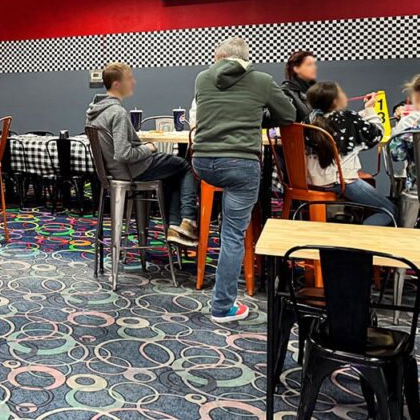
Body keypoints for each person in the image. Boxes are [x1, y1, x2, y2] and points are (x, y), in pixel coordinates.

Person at [192, 37, 295, 323]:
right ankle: (222, 306)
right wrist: (259, 115)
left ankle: (191, 229)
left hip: (202, 161)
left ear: (219, 56)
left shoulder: (202, 78)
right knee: (232, 234)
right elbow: (288, 115)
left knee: (225, 226)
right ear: (245, 59)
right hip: (239, 163)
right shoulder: (261, 80)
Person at [85, 63, 198, 244]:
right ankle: (186, 221)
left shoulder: (94, 113)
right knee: (184, 166)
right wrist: (149, 148)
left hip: (114, 173)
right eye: (129, 79)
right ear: (116, 84)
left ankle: (175, 227)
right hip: (132, 170)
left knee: (172, 173)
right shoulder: (118, 113)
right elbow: (123, 153)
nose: (133, 82)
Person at [305, 82, 393, 225]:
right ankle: (355, 240)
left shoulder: (309, 119)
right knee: (389, 210)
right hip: (342, 182)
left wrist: (363, 113)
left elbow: (345, 125)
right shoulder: (348, 118)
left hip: (313, 180)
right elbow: (376, 135)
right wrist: (370, 109)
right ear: (336, 100)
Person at [281, 50, 318, 122]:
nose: (314, 67)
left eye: (314, 64)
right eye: (309, 64)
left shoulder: (318, 91)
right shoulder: (287, 93)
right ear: (296, 68)